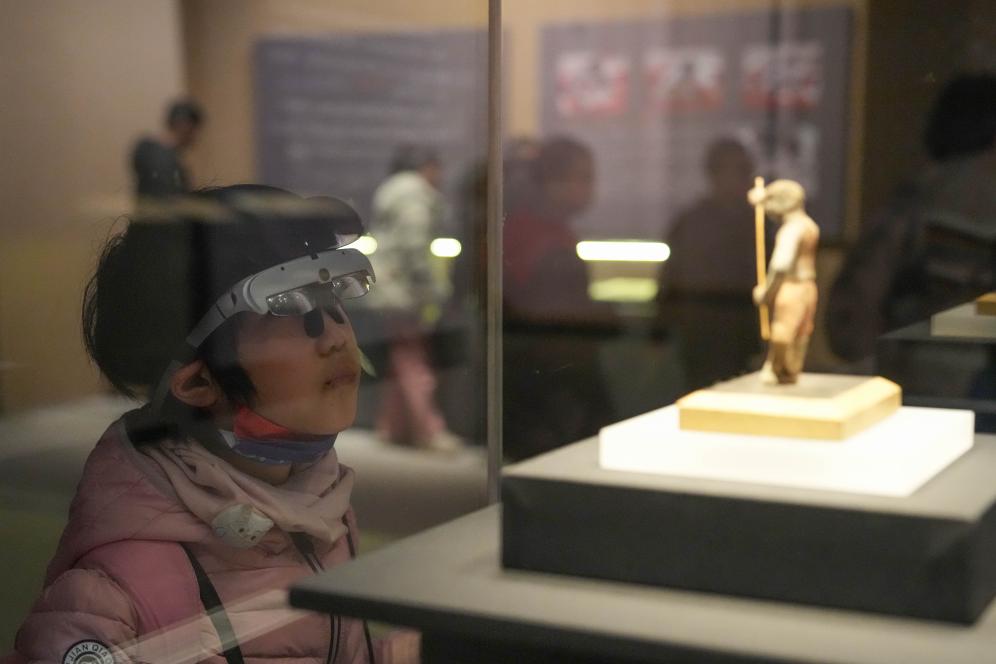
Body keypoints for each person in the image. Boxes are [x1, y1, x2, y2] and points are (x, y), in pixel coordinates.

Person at [2, 186, 417, 663]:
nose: (337, 338)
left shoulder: (320, 512)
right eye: (290, 309)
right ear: (199, 381)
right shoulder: (112, 597)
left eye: (334, 300)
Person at [828, 74, 996, 363]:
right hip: (963, 370)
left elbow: (853, 313)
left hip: (916, 368)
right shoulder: (965, 191)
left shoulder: (923, 190)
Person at [502, 136, 615, 460]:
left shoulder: (535, 230)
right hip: (550, 387)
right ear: (553, 182)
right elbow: (558, 323)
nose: (590, 189)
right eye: (583, 177)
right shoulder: (544, 240)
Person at [362, 145, 462, 452]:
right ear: (426, 167)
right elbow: (414, 247)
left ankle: (393, 426)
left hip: (391, 288)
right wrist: (434, 290)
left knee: (402, 357)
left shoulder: (395, 191)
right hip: (403, 290)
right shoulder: (412, 194)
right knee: (413, 360)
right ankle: (428, 430)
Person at [656, 138, 763, 391]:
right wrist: (659, 332)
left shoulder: (756, 225)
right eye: (735, 171)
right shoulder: (691, 223)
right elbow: (670, 279)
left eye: (744, 171)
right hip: (700, 334)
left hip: (742, 334)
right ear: (714, 174)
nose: (742, 179)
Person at [749, 179, 819, 385]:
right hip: (809, 286)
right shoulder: (809, 225)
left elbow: (781, 265)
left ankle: (778, 368)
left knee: (783, 332)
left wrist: (767, 292)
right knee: (801, 332)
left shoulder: (791, 230)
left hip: (793, 286)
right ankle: (789, 369)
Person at [131, 99, 204, 200]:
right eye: (194, 131)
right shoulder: (162, 157)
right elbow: (170, 198)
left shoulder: (145, 147)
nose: (195, 137)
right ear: (185, 126)